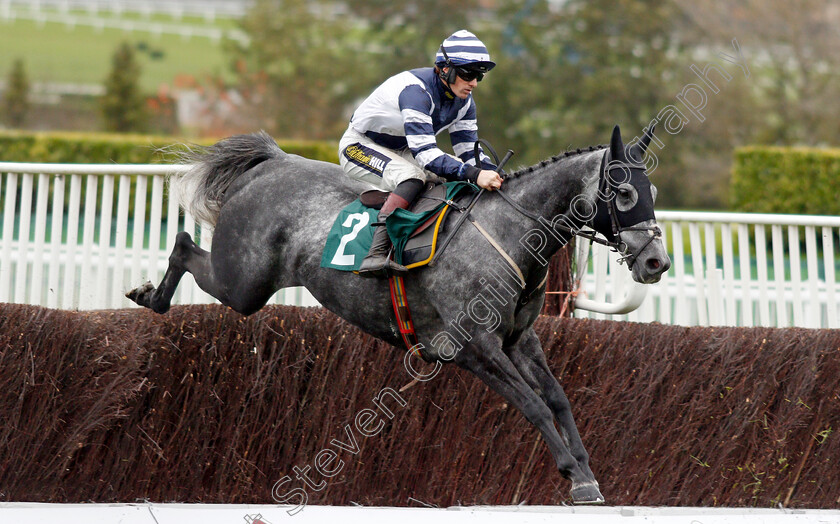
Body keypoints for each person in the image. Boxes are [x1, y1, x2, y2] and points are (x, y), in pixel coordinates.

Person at [338, 29, 504, 279]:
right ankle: (376, 253)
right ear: (445, 69)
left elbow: (468, 151)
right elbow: (427, 156)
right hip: (359, 146)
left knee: (450, 176)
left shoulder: (465, 102)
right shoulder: (416, 93)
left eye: (479, 75)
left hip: (402, 149)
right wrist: (474, 173)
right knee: (412, 177)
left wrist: (494, 173)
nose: (474, 83)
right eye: (468, 74)